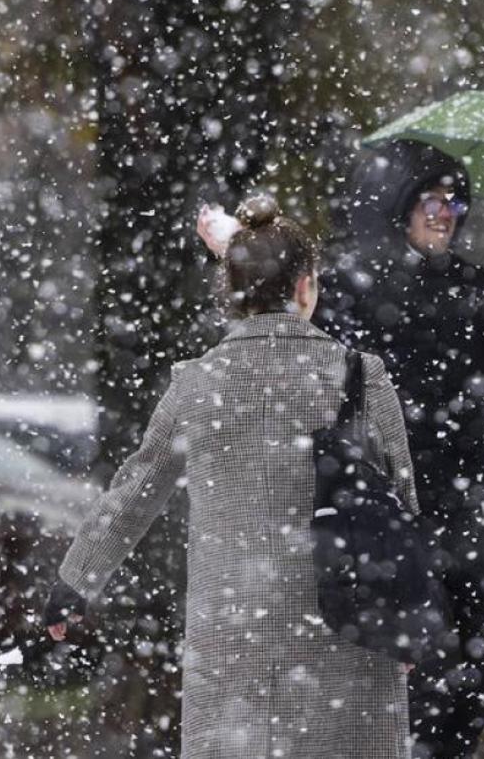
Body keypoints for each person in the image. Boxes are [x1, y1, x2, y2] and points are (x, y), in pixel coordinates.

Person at [42, 196, 417, 758]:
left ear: (232, 298)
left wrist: (76, 581)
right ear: (306, 287)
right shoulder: (358, 374)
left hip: (234, 630)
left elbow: (135, 492)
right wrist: (411, 609)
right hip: (349, 623)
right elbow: (401, 496)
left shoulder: (197, 384)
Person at [313, 140, 484, 758]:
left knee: (465, 679)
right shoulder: (341, 285)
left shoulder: (470, 283)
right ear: (392, 205)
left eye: (455, 201)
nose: (445, 213)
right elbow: (324, 394)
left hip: (457, 512)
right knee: (389, 683)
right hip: (373, 514)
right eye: (429, 199)